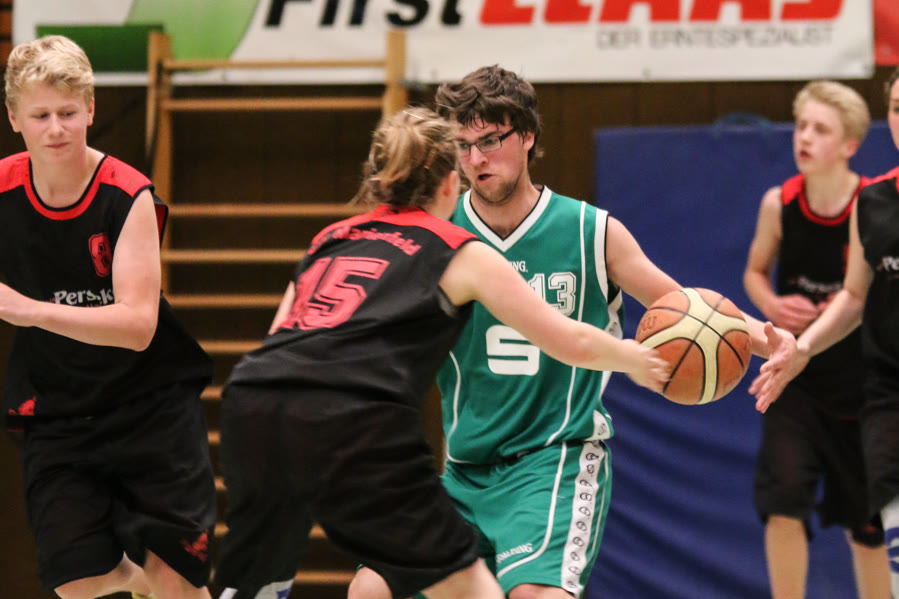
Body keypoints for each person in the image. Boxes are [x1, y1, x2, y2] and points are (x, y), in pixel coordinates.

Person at [349, 65, 796, 599]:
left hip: (553, 462)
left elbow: (684, 307)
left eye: (489, 141)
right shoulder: (441, 234)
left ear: (527, 135)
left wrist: (772, 340)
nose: (476, 159)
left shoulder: (591, 231)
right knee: (371, 590)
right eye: (463, 147)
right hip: (465, 469)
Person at [212, 107, 671, 599]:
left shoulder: (330, 237)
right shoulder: (457, 247)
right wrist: (632, 359)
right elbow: (570, 339)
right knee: (473, 591)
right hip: (352, 417)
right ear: (452, 184)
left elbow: (281, 336)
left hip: (252, 402)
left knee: (278, 586)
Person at [0, 35, 217, 599]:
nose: (56, 129)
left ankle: (159, 578)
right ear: (14, 119)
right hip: (60, 408)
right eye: (40, 115)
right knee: (76, 581)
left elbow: (138, 326)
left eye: (68, 113)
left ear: (91, 109)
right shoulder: (2, 190)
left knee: (177, 579)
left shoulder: (127, 195)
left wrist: (26, 310)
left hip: (150, 407)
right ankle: (133, 578)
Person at [752, 68, 899, 596]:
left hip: (857, 382)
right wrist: (782, 318)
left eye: (821, 129)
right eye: (801, 126)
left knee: (868, 529)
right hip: (820, 384)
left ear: (850, 145)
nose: (806, 137)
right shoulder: (862, 203)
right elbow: (852, 295)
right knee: (784, 504)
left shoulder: (863, 198)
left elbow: (855, 298)